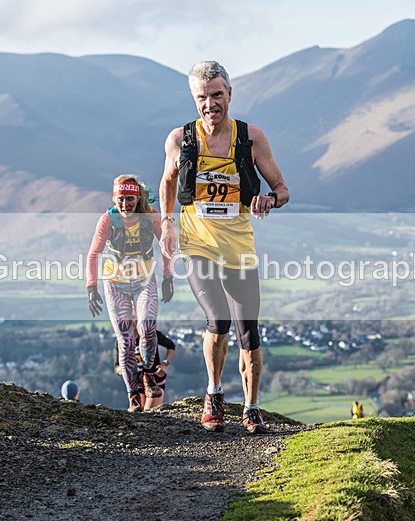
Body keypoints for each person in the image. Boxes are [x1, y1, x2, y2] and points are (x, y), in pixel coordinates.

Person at [158, 60, 290, 434]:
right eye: (202, 97)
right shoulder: (179, 139)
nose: (210, 104)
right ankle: (214, 395)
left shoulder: (250, 137)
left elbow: (282, 189)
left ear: (229, 94)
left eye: (217, 95)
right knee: (217, 320)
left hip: (238, 245)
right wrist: (167, 223)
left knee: (248, 332)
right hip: (197, 243)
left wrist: (269, 200)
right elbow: (167, 182)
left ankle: (251, 407)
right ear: (194, 99)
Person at [87, 174, 174, 413]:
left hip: (144, 280)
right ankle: (133, 396)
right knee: (125, 341)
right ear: (114, 198)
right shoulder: (107, 220)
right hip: (115, 283)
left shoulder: (151, 218)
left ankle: (148, 375)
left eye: (130, 200)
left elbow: (167, 246)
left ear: (138, 199)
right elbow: (93, 253)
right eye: (121, 199)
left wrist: (168, 277)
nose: (125, 205)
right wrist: (91, 287)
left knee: (147, 327)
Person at [114, 321, 177, 410]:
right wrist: (125, 368)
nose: (132, 322)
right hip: (136, 385)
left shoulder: (151, 334)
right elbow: (117, 367)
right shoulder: (122, 340)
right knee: (138, 413)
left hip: (155, 381)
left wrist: (164, 364)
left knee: (149, 412)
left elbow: (171, 346)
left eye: (134, 319)